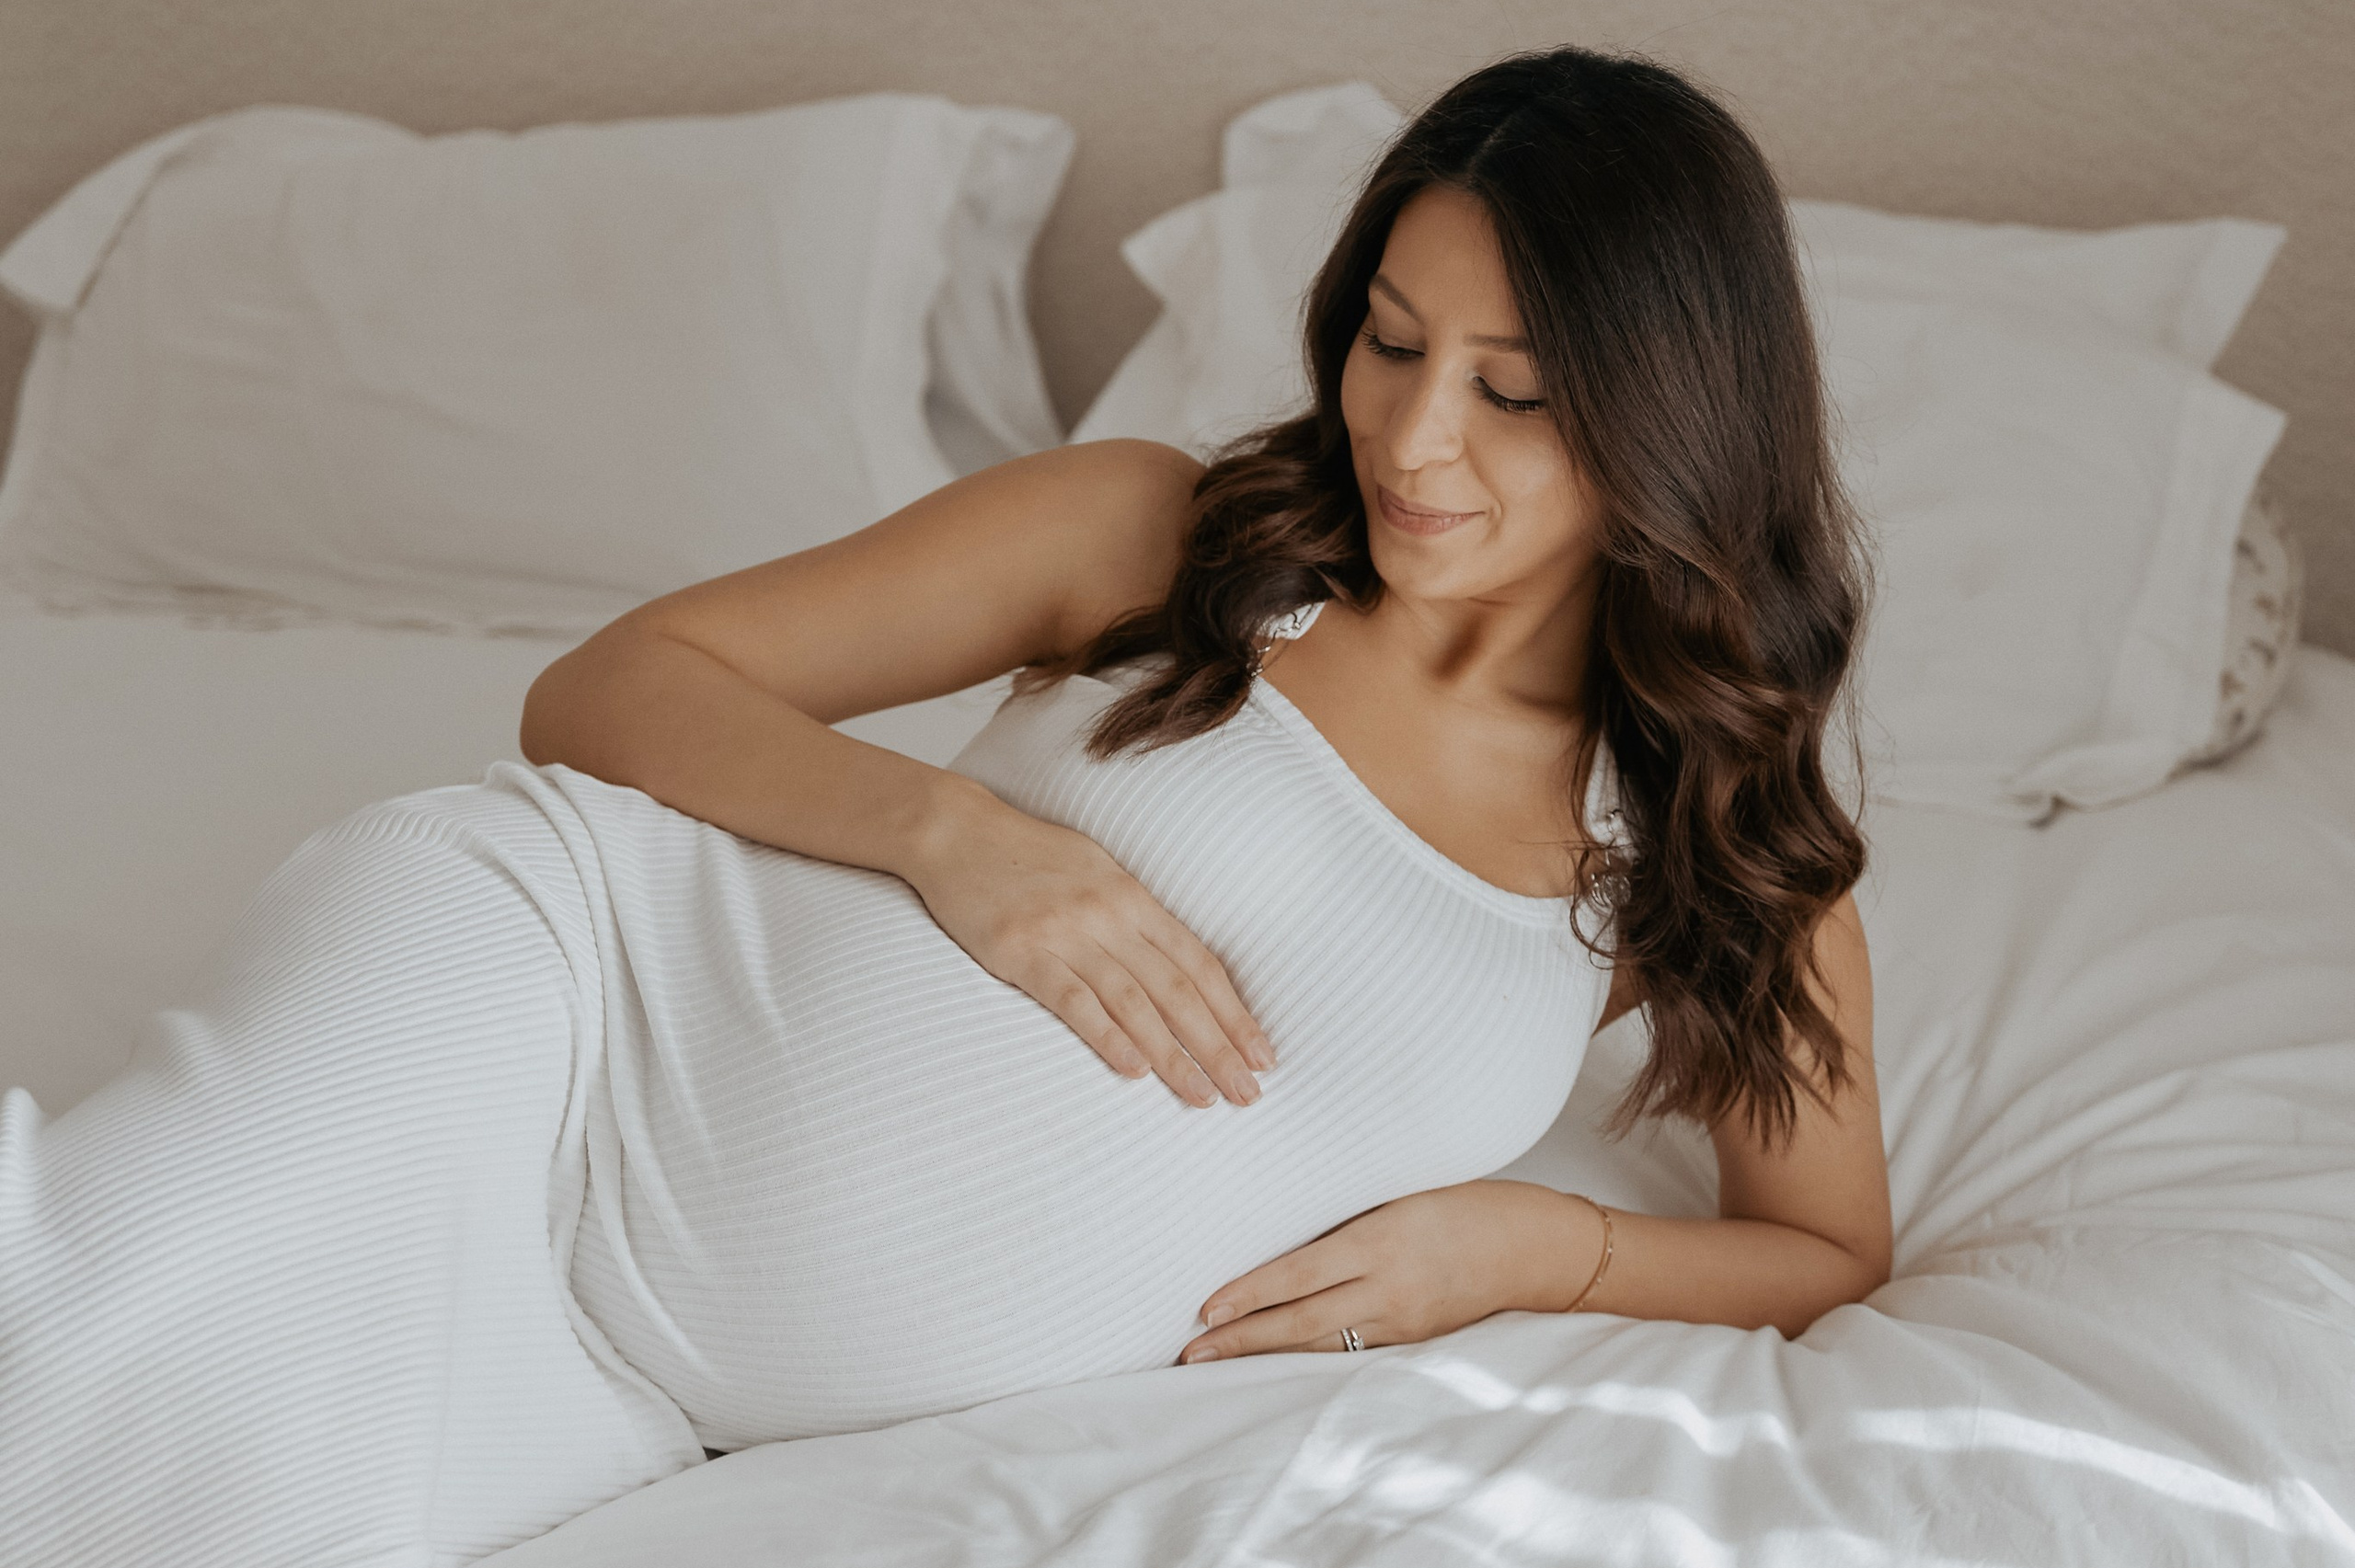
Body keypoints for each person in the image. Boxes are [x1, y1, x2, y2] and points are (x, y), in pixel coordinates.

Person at [0, 42, 1890, 1566]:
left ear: (1669, 411)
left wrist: (1516, 1246)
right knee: (63, 1336)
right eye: (1389, 343)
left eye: (1512, 390)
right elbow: (605, 690)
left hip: (648, 1399)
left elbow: (1820, 1248)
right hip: (543, 1020)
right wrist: (955, 836)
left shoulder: (1707, 849)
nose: (1410, 438)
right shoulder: (1168, 535)